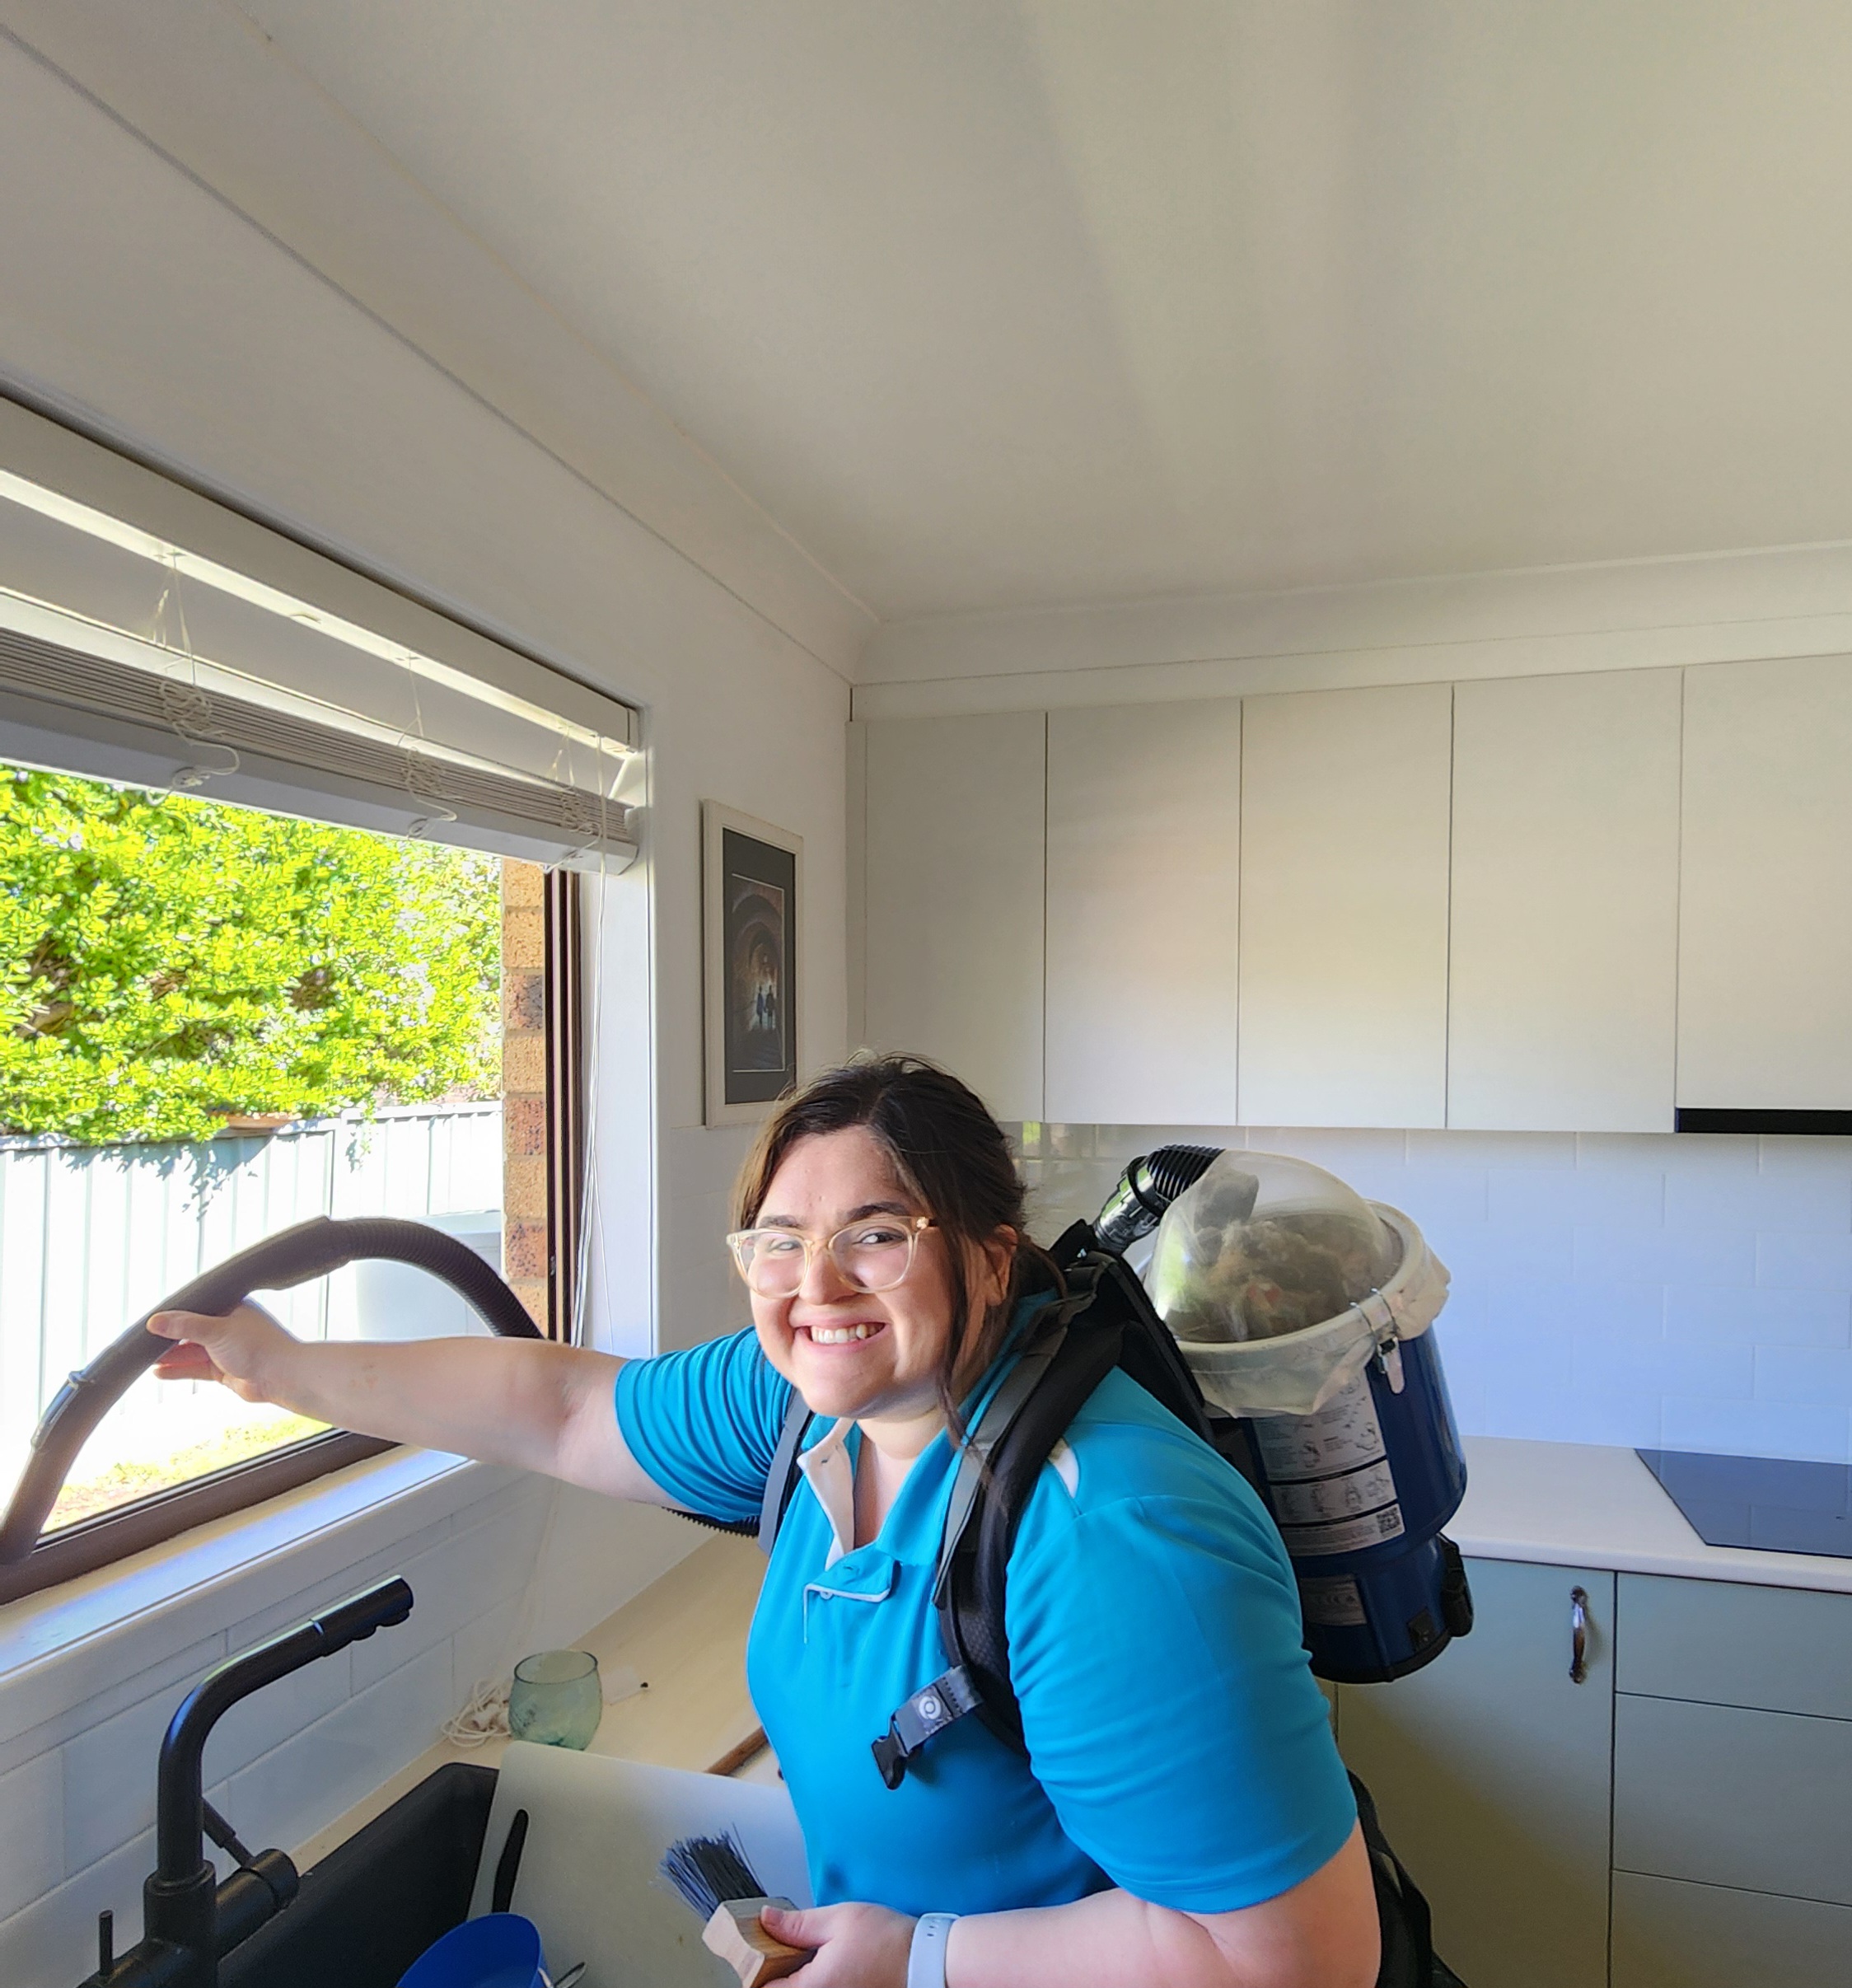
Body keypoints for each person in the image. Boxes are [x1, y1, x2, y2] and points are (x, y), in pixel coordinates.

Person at [152, 1055, 1379, 1988]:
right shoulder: (801, 1402)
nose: (818, 1285)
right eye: (780, 1242)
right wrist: (281, 1365)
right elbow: (567, 1405)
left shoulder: (1112, 1534)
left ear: (993, 1260)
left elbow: (1299, 1959)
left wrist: (921, 1955)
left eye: (877, 1237)